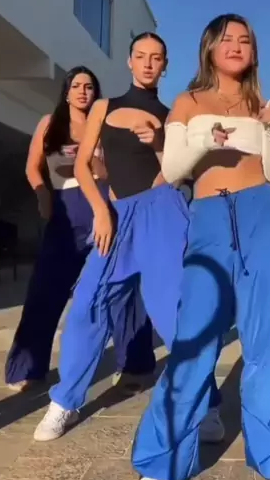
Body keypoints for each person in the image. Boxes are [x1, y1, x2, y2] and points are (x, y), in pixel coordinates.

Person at [132, 14, 270, 480]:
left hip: (266, 214)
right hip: (210, 218)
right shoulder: (189, 102)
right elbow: (174, 169)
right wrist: (204, 141)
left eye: (245, 40)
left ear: (253, 52)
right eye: (227, 39)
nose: (237, 46)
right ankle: (163, 456)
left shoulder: (264, 105)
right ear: (210, 49)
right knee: (195, 336)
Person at [33, 34, 222, 443]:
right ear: (129, 61)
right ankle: (65, 402)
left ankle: (205, 402)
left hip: (162, 212)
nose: (149, 63)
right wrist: (101, 211)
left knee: (174, 312)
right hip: (116, 214)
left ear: (165, 65)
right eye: (141, 56)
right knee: (87, 304)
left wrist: (159, 143)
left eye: (157, 58)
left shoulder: (172, 116)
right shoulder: (105, 107)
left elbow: (179, 173)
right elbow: (82, 166)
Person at [5, 66, 153, 393]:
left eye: (89, 86)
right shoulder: (50, 123)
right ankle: (27, 367)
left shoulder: (105, 122)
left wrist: (93, 157)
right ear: (67, 92)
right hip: (65, 211)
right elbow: (33, 167)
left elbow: (114, 171)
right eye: (76, 86)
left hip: (104, 207)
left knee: (123, 286)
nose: (83, 91)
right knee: (46, 289)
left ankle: (134, 366)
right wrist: (43, 195)